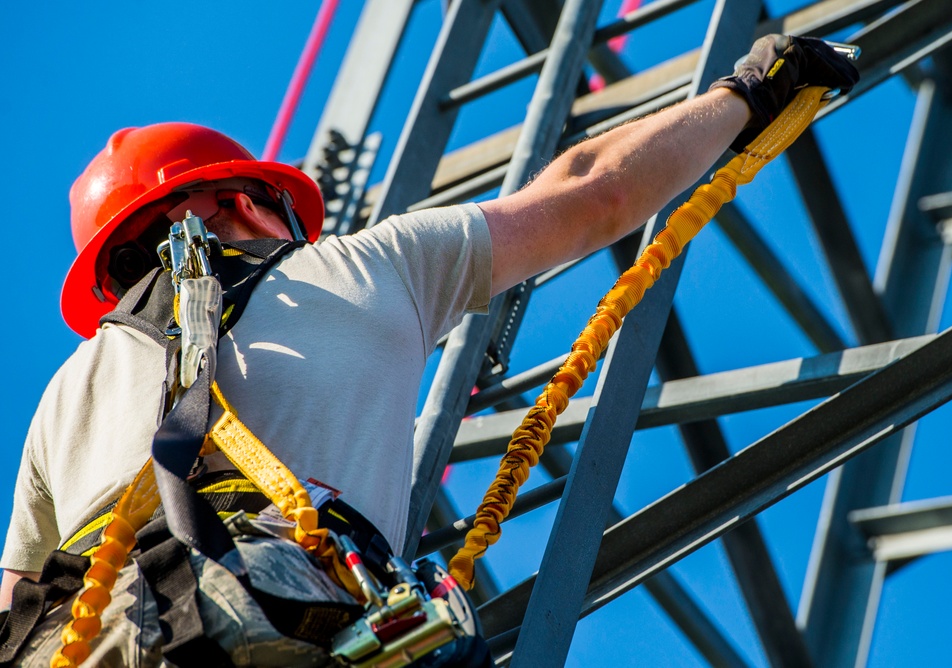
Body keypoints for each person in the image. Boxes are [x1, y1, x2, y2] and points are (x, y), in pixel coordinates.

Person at [0, 35, 857, 666]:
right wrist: (752, 89)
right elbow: (598, 191)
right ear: (251, 204)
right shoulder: (360, 268)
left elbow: (14, 605)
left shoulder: (63, 399)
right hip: (254, 630)